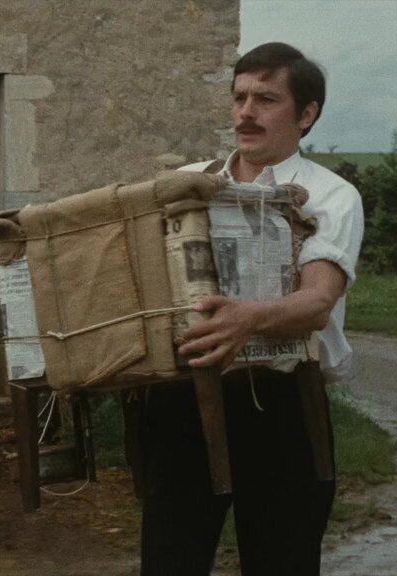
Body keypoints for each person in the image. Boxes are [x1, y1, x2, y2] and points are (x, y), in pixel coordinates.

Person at [135, 43, 364, 575]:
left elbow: (317, 302)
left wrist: (248, 318)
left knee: (281, 562)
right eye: (239, 97)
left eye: (266, 99)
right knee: (169, 562)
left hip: (281, 405)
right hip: (182, 401)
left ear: (306, 114)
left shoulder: (331, 195)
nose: (245, 112)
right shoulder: (187, 183)